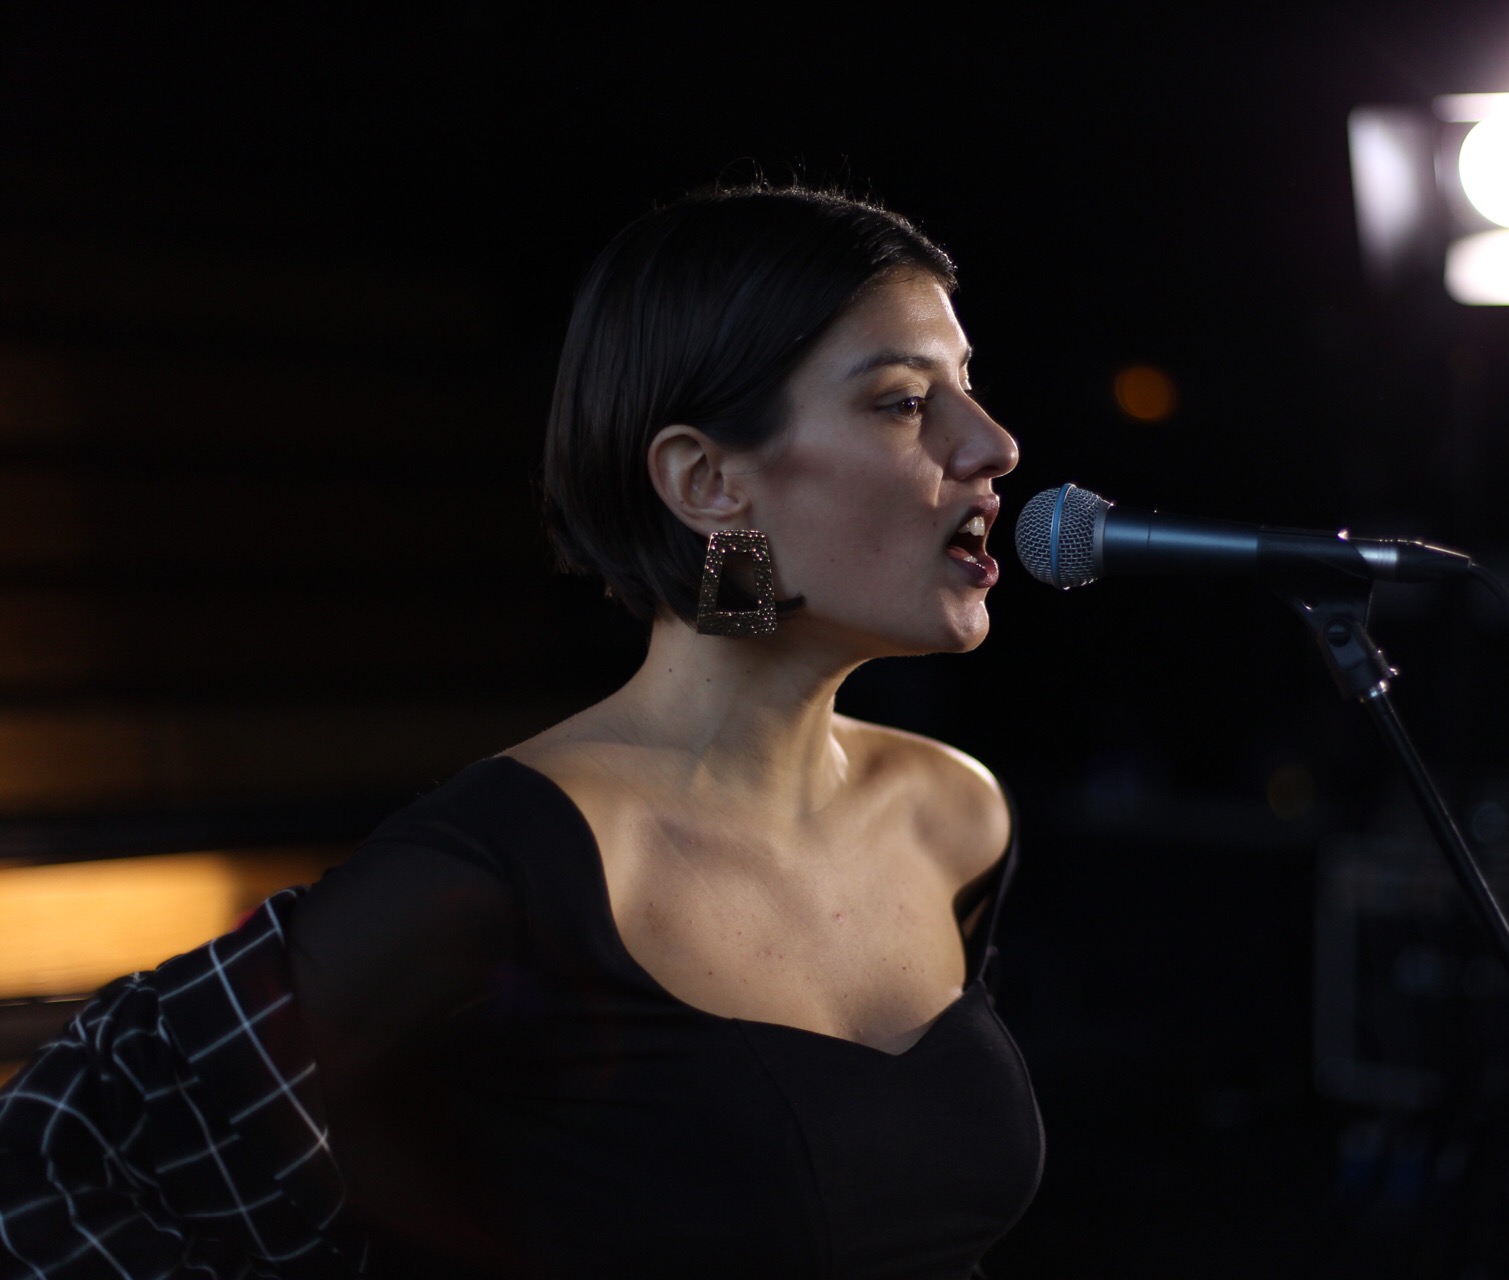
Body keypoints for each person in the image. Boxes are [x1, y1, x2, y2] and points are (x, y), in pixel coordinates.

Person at [0, 184, 1040, 1279]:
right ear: (706, 481)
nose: (995, 444)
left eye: (967, 386)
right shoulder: (504, 867)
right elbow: (43, 1168)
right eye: (902, 401)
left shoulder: (954, 816)